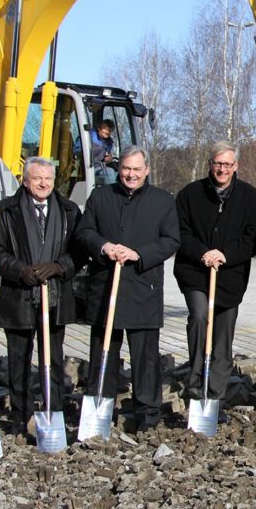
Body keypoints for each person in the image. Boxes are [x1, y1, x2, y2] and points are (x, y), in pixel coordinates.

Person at [75, 146, 179, 432]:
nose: (131, 174)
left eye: (137, 169)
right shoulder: (101, 196)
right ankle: (100, 410)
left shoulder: (163, 201)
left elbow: (171, 240)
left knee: (145, 358)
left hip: (142, 287)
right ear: (118, 169)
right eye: (126, 169)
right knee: (103, 352)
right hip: (105, 286)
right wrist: (104, 246)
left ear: (146, 170)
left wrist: (139, 254)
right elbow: (84, 232)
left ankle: (147, 416)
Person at [0, 157, 84, 435]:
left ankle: (53, 411)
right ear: (25, 180)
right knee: (18, 360)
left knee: (53, 359)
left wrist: (58, 267)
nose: (43, 183)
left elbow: (79, 251)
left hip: (54, 298)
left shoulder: (68, 211)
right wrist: (20, 271)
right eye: (37, 178)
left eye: (48, 179)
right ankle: (20, 415)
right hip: (18, 298)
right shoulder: (6, 210)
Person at [173, 142, 256, 420]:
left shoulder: (250, 197)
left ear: (235, 166)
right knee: (199, 317)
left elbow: (252, 239)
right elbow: (180, 231)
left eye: (227, 164)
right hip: (195, 272)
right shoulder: (190, 194)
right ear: (210, 164)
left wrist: (225, 255)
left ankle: (215, 396)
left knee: (223, 336)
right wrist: (203, 253)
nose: (222, 169)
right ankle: (196, 384)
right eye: (217, 163)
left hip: (231, 275)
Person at [91, 119, 118, 186]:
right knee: (110, 173)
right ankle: (110, 195)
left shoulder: (108, 142)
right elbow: (77, 151)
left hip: (100, 167)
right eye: (106, 129)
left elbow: (107, 156)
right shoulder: (88, 136)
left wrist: (109, 158)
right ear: (99, 128)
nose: (108, 132)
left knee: (120, 173)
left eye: (110, 130)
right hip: (89, 168)